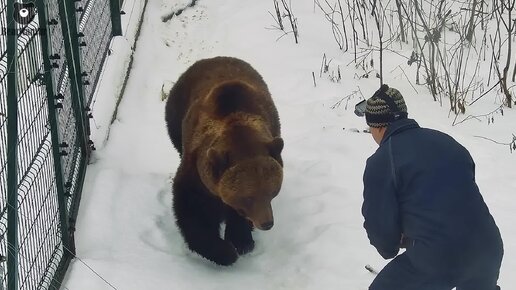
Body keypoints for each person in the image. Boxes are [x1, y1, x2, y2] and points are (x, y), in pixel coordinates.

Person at [355, 84, 504, 290]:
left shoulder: (383, 160)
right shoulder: (447, 142)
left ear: (378, 126)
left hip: (438, 257)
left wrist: (392, 244)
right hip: (487, 246)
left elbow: (382, 231)